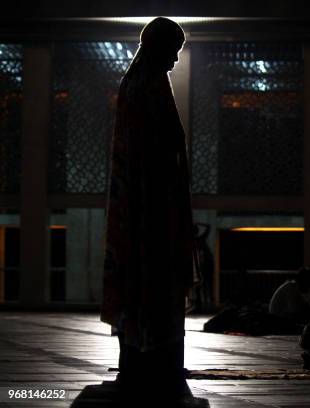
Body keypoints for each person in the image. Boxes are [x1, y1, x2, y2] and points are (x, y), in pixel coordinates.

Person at [100, 17, 196, 400]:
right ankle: (156, 360)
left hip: (144, 206)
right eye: (172, 53)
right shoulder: (148, 88)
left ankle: (143, 358)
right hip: (152, 211)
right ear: (159, 49)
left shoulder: (138, 84)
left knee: (140, 282)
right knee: (153, 282)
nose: (174, 62)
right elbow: (158, 152)